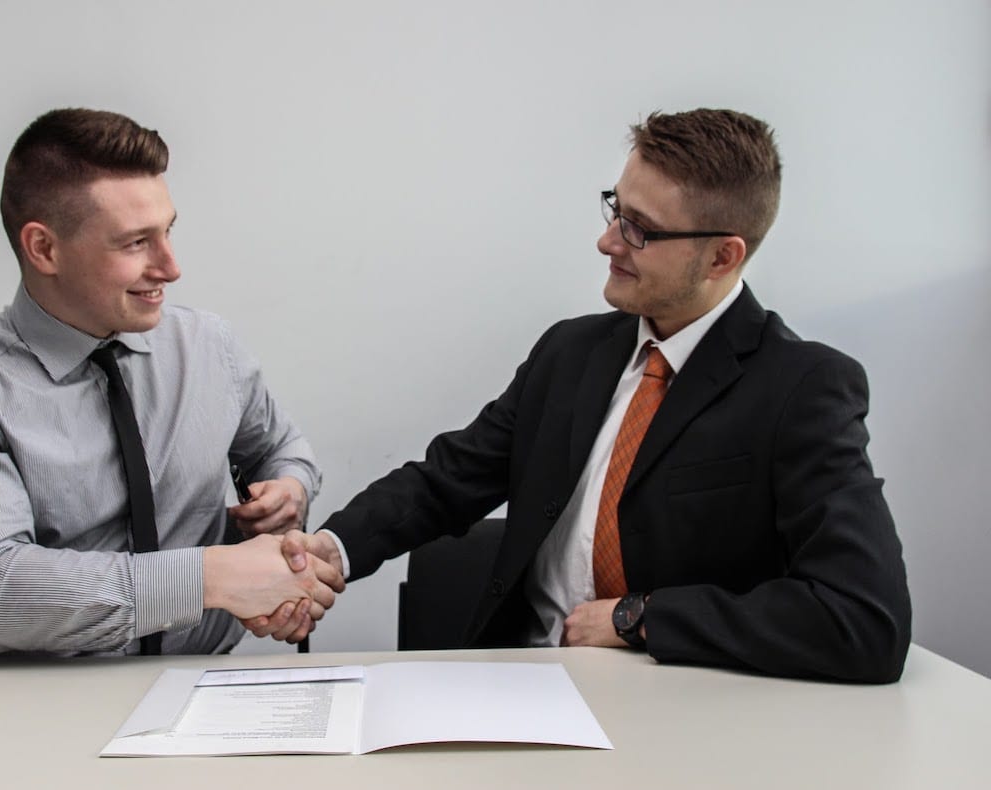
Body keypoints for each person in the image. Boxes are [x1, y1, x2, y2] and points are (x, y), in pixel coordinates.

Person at [256, 108, 912, 683]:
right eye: (615, 210)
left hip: (685, 717)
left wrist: (639, 619)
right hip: (522, 689)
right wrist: (331, 550)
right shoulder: (571, 353)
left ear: (722, 257)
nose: (607, 242)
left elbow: (864, 620)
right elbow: (446, 481)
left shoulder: (802, 388)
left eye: (639, 230)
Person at [0, 108, 340, 656]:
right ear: (44, 249)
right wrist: (211, 577)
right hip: (34, 707)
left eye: (168, 231)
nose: (170, 268)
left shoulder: (210, 347)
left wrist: (287, 491)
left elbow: (281, 449)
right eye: (135, 243)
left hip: (205, 686)